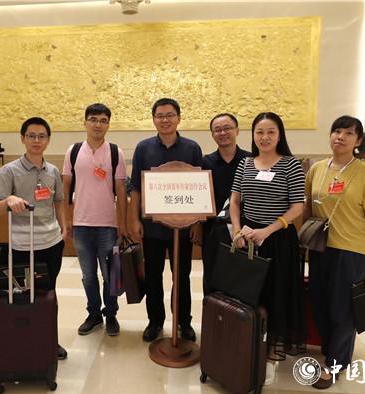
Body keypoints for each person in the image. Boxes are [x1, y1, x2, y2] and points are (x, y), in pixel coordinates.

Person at [303, 115, 365, 390]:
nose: (340, 137)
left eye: (348, 133)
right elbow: (308, 208)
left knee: (343, 310)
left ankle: (334, 364)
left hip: (352, 251)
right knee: (320, 304)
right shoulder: (316, 169)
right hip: (320, 248)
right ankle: (334, 352)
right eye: (336, 131)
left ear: (358, 140)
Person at [229, 112, 306, 386]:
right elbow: (235, 201)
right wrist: (237, 230)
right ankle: (252, 343)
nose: (265, 137)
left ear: (279, 135)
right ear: (253, 135)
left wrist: (268, 230)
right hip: (248, 238)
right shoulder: (245, 163)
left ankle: (273, 351)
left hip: (278, 239)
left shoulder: (291, 164)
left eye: (271, 132)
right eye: (259, 132)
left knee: (277, 293)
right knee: (251, 293)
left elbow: (298, 207)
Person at [128, 98, 202, 343]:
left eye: (170, 115)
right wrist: (134, 220)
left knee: (181, 277)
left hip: (183, 228)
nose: (165, 120)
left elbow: (200, 188)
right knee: (153, 276)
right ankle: (155, 321)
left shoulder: (192, 148)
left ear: (179, 118)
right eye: (160, 115)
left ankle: (183, 322)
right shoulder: (143, 148)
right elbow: (135, 187)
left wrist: (197, 223)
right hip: (152, 228)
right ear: (154, 119)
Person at [0, 117, 68, 360]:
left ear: (48, 140)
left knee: (49, 293)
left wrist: (64, 228)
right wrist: (9, 200)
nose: (37, 140)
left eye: (42, 136)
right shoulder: (10, 170)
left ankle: (49, 340)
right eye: (31, 136)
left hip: (51, 243)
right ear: (23, 138)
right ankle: (25, 338)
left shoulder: (53, 171)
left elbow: (59, 201)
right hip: (22, 246)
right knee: (24, 295)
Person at [62, 103, 128, 337]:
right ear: (85, 122)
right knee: (88, 276)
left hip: (107, 226)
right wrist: (66, 220)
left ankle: (111, 314)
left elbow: (121, 191)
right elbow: (65, 189)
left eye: (103, 120)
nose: (98, 124)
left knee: (111, 275)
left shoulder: (115, 152)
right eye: (93, 119)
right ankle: (93, 314)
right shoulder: (73, 151)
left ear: (108, 125)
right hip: (81, 225)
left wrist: (123, 225)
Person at [198, 113, 250, 295]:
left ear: (237, 130)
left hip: (246, 230)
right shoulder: (205, 162)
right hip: (213, 230)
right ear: (212, 134)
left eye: (227, 128)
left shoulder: (251, 160)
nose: (222, 133)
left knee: (244, 278)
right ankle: (213, 313)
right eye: (217, 130)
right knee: (212, 277)